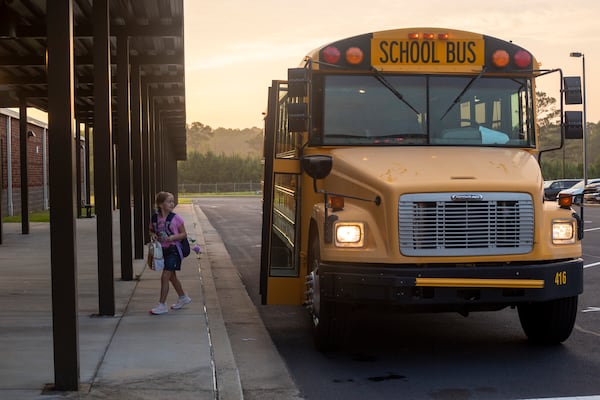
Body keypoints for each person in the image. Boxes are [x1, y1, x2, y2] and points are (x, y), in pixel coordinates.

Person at [148, 191, 192, 315]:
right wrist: (153, 235)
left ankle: (162, 305)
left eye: (173, 201)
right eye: (169, 201)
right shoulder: (155, 218)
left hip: (174, 250)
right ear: (161, 204)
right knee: (172, 277)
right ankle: (183, 297)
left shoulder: (176, 218)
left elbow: (184, 234)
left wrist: (172, 238)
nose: (172, 203)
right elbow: (151, 230)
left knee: (165, 276)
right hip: (163, 251)